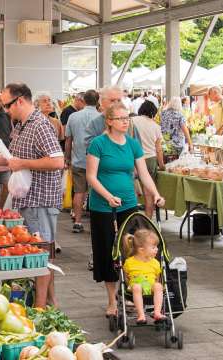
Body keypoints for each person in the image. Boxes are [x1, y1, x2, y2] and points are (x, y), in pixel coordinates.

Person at [0, 82, 64, 308]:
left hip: (40, 200)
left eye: (7, 105)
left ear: (20, 100)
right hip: (26, 199)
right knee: (37, 253)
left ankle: (41, 308)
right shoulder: (20, 126)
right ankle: (48, 302)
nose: (5, 110)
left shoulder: (40, 125)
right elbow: (10, 159)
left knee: (42, 253)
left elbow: (57, 161)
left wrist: (23, 163)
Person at [86, 103, 165, 318]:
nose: (125, 121)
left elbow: (143, 174)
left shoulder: (132, 144)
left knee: (133, 249)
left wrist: (155, 194)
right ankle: (112, 300)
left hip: (129, 204)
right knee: (106, 252)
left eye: (126, 117)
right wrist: (108, 196)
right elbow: (91, 176)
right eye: (120, 118)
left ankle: (132, 293)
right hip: (102, 206)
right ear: (109, 121)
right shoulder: (98, 144)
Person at [64, 89, 99, 233]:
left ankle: (77, 221)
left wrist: (67, 157)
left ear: (84, 100)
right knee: (97, 192)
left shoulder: (73, 116)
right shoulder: (101, 117)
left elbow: (68, 140)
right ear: (97, 101)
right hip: (98, 161)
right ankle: (97, 222)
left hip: (78, 160)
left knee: (79, 192)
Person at [122, 229, 166, 324]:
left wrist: (155, 285)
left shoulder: (155, 263)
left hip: (150, 286)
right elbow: (126, 277)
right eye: (153, 247)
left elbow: (157, 278)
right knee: (137, 287)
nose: (157, 249)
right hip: (135, 286)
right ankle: (141, 315)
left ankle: (157, 312)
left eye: (156, 247)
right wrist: (129, 285)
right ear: (141, 250)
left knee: (158, 286)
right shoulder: (129, 262)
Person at [131, 101, 165, 218]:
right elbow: (159, 149)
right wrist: (161, 165)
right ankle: (148, 220)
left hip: (133, 159)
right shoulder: (156, 126)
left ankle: (130, 217)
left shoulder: (132, 121)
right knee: (148, 193)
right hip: (150, 159)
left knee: (132, 189)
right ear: (153, 112)